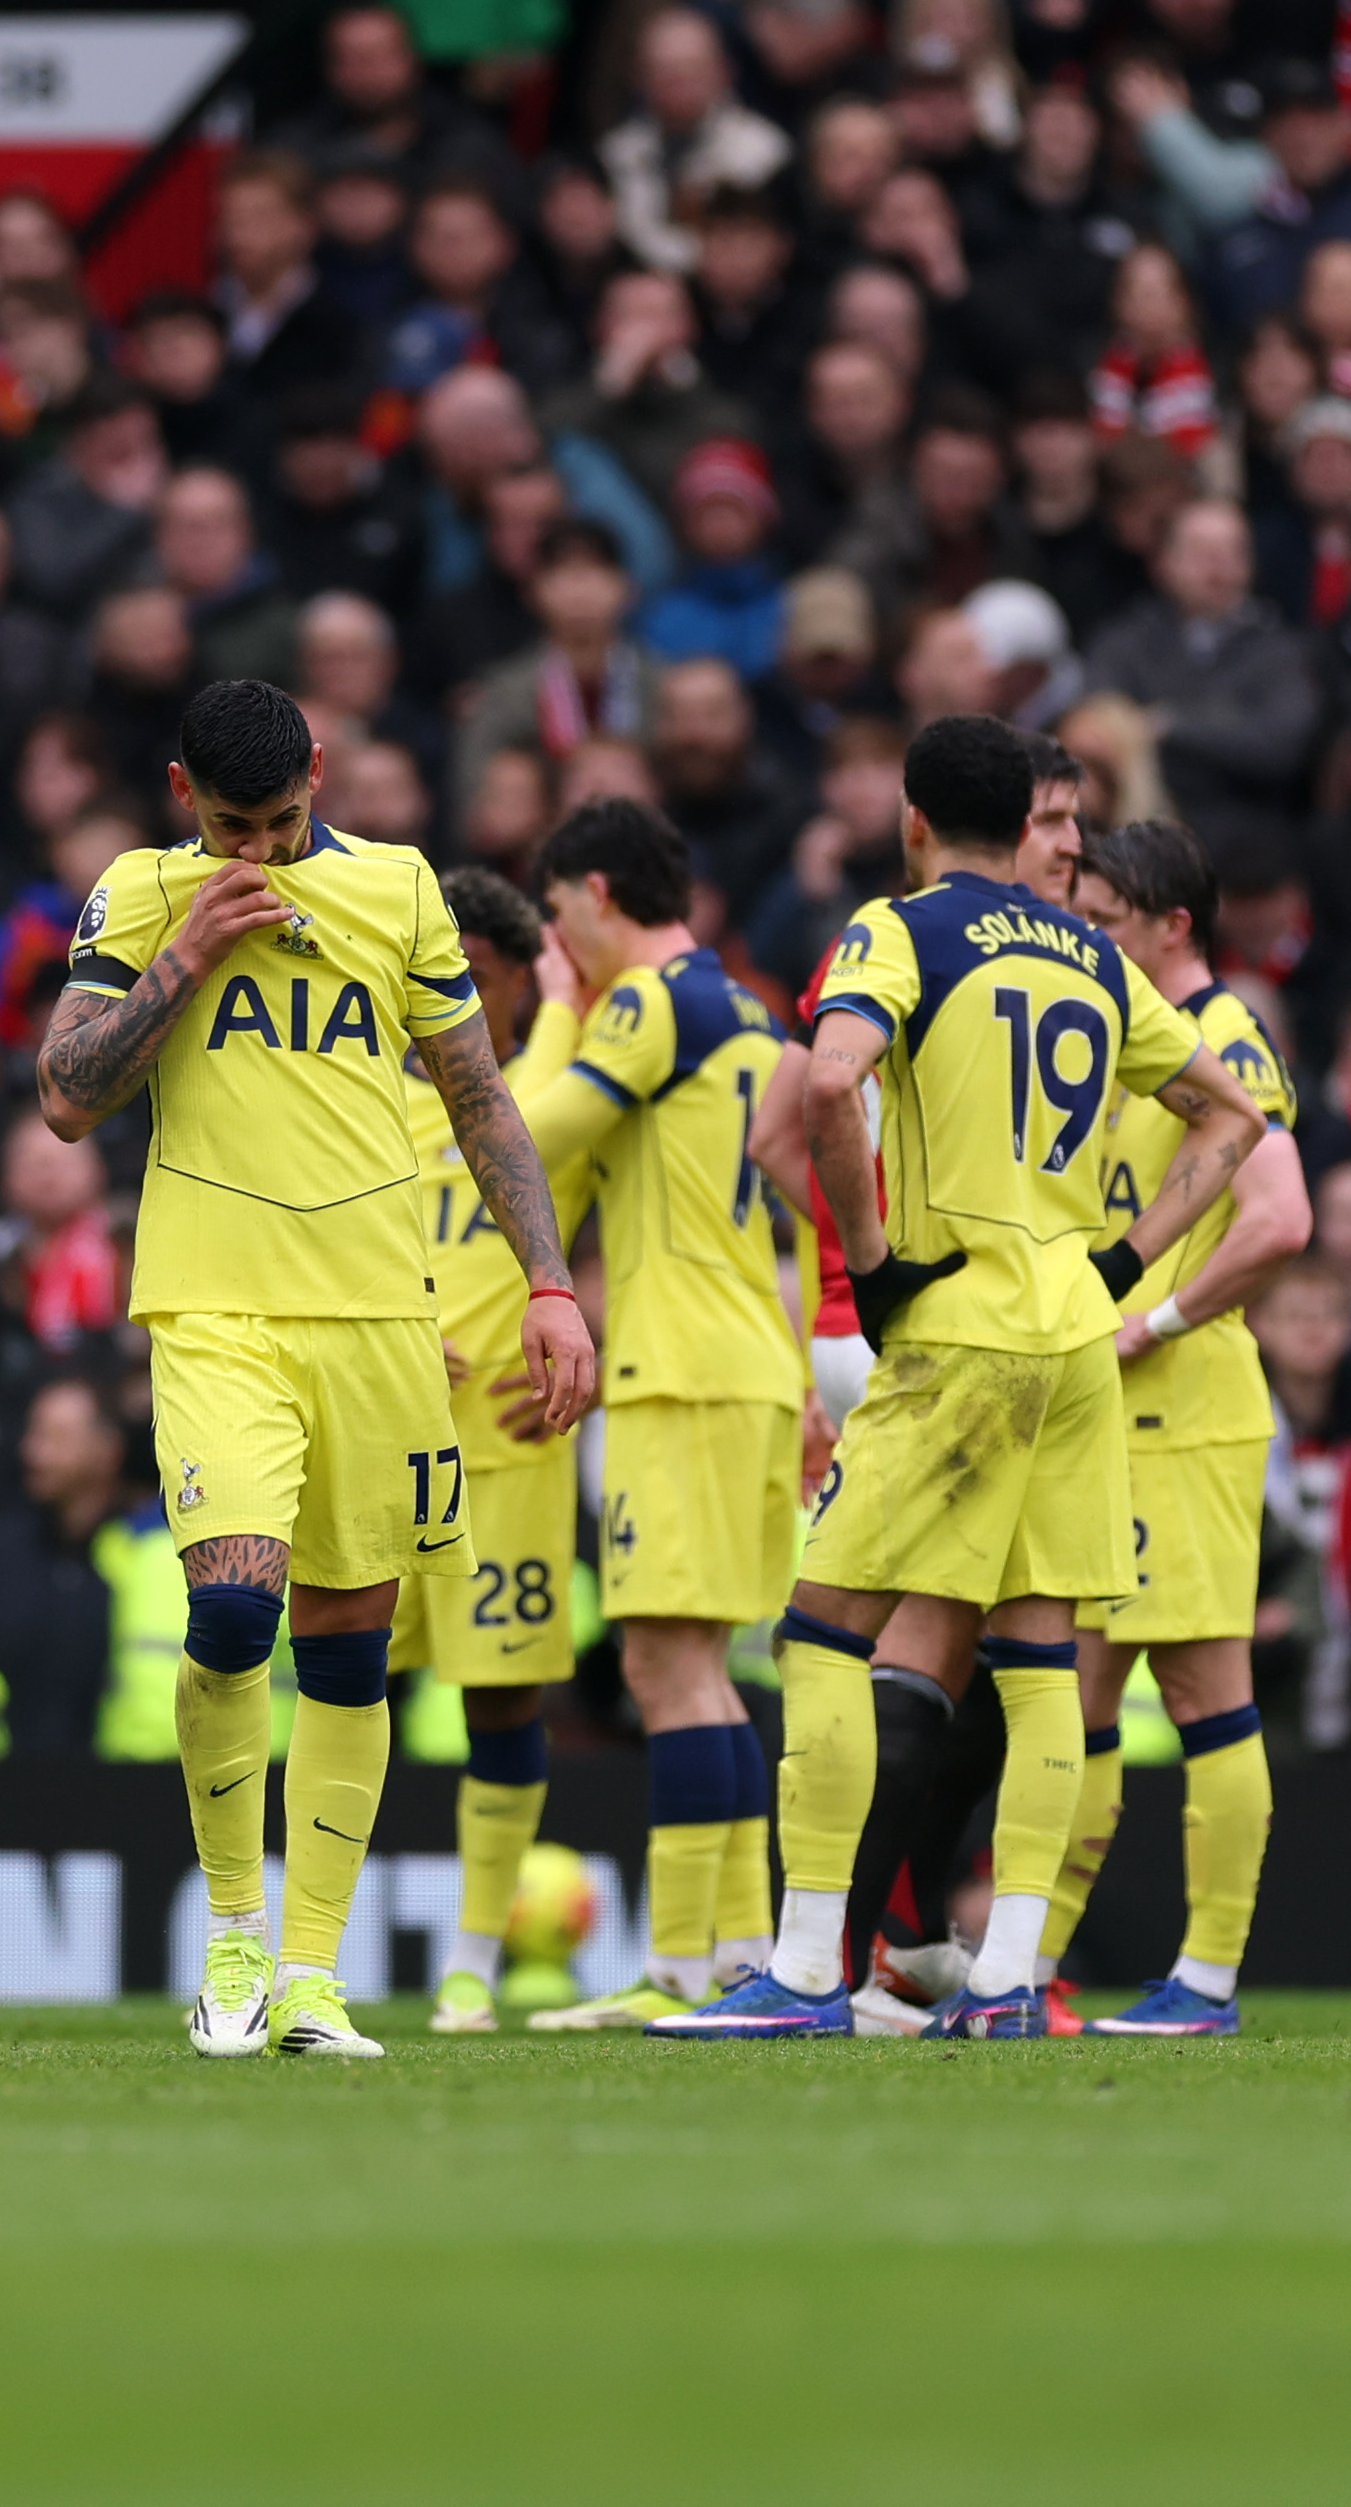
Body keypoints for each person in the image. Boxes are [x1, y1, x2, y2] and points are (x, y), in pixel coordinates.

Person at [656, 717, 1265, 2041]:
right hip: (1071, 1341)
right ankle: (1003, 1978)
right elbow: (1230, 1120)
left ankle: (806, 1966)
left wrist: (868, 1262)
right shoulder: (1095, 955)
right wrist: (1119, 1265)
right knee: (1036, 1654)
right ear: (1027, 824)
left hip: (957, 1329)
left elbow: (826, 1085)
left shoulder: (899, 928)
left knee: (814, 1630)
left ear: (911, 816)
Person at [39, 677, 595, 2059]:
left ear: (320, 778)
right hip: (217, 1308)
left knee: (349, 1655)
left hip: (376, 1321)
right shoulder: (139, 890)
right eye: (233, 829)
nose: (260, 853)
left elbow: (474, 1093)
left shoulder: (401, 890)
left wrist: (545, 1283)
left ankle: (308, 1974)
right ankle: (229, 1943)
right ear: (184, 799)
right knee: (232, 1617)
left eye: (281, 823)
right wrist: (188, 952)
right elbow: (63, 1093)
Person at [510, 798, 801, 2028]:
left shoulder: (642, 1003)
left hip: (680, 1371)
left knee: (665, 1667)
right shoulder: (741, 1007)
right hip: (751, 1364)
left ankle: (683, 1968)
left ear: (593, 896)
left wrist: (554, 1008)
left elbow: (526, 1132)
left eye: (559, 918)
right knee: (706, 1674)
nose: (559, 940)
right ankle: (736, 1957)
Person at [1049, 824, 1308, 2034]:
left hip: (1185, 1415)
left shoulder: (1225, 1040)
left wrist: (1150, 1323)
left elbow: (1281, 1219)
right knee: (1081, 1689)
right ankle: (1023, 1966)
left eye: (1104, 920)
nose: (1086, 937)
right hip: (1118, 1419)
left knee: (1201, 1690)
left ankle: (1201, 1979)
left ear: (1172, 928)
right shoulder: (1132, 1042)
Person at [394, 866, 584, 2033]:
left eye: (470, 970)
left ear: (513, 977)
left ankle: (471, 1958)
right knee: (347, 1675)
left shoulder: (550, 1082)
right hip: (386, 1431)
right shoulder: (369, 1095)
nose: (447, 991)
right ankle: (310, 1942)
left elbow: (566, 993)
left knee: (501, 1709)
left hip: (510, 1442)